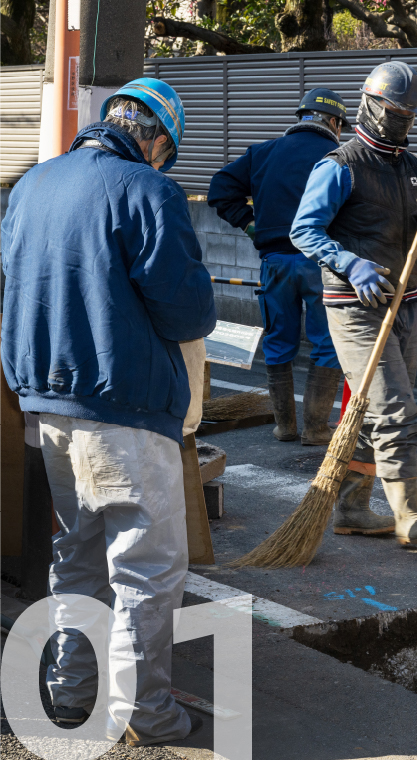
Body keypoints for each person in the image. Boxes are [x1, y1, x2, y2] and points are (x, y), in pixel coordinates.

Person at [0, 78, 215, 745]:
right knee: (146, 570)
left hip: (46, 410)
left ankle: (71, 691)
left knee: (78, 554)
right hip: (126, 408)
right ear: (154, 140)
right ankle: (146, 714)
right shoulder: (149, 191)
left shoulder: (31, 186)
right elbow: (186, 310)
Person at [290, 61, 417, 543]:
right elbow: (303, 230)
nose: (402, 120)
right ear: (371, 104)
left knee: (371, 411)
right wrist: (349, 262)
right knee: (396, 410)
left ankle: (353, 508)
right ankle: (409, 515)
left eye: (410, 113)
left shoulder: (414, 168)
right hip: (355, 306)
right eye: (395, 110)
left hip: (405, 303)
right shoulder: (340, 165)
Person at [209, 89, 350, 445]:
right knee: (326, 344)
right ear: (333, 122)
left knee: (278, 342)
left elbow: (220, 187)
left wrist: (251, 224)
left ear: (302, 117)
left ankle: (285, 426)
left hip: (275, 264)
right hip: (322, 264)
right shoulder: (340, 157)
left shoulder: (263, 152)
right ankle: (317, 428)